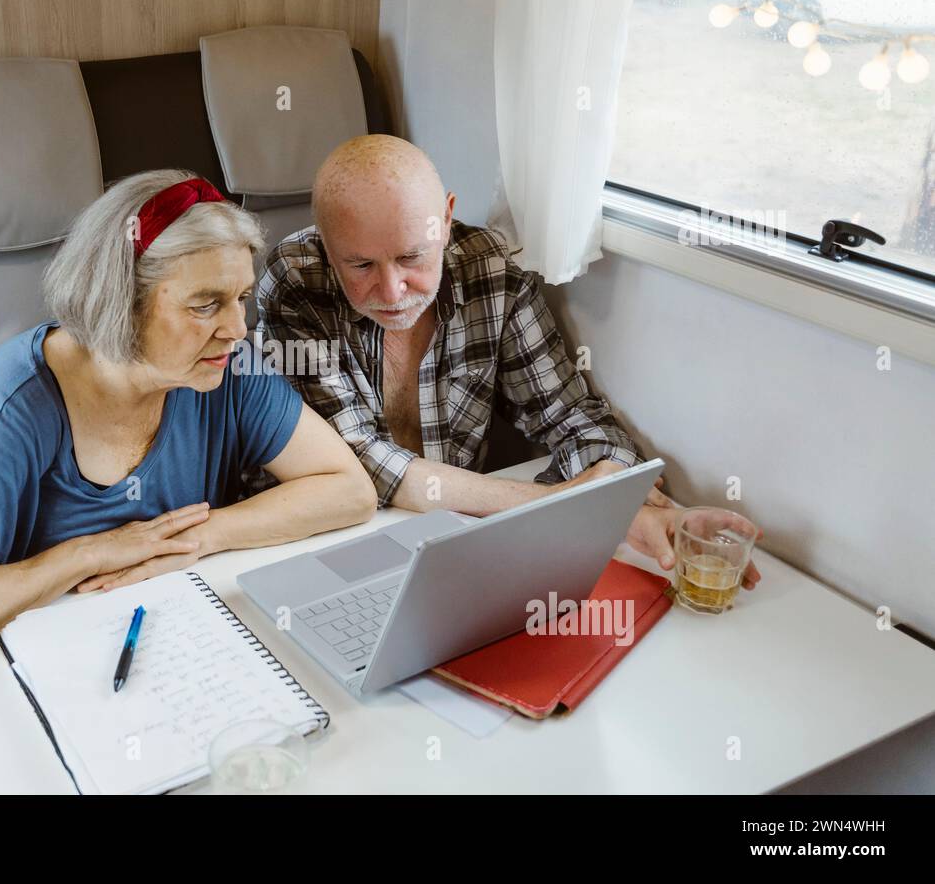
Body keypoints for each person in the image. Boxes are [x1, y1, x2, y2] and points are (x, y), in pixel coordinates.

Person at [0, 169, 377, 670]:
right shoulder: (21, 400)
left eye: (241, 298)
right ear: (120, 302)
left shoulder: (228, 366)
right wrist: (87, 554)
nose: (235, 327)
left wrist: (198, 536)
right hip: (55, 664)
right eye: (205, 305)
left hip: (189, 645)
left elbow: (349, 490)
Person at [255, 135, 762, 586]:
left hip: (459, 540)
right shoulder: (297, 279)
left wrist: (637, 505)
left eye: (412, 257)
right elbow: (361, 464)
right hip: (326, 542)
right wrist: (565, 504)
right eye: (361, 264)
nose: (392, 290)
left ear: (446, 219)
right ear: (326, 243)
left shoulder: (491, 271)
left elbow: (573, 417)